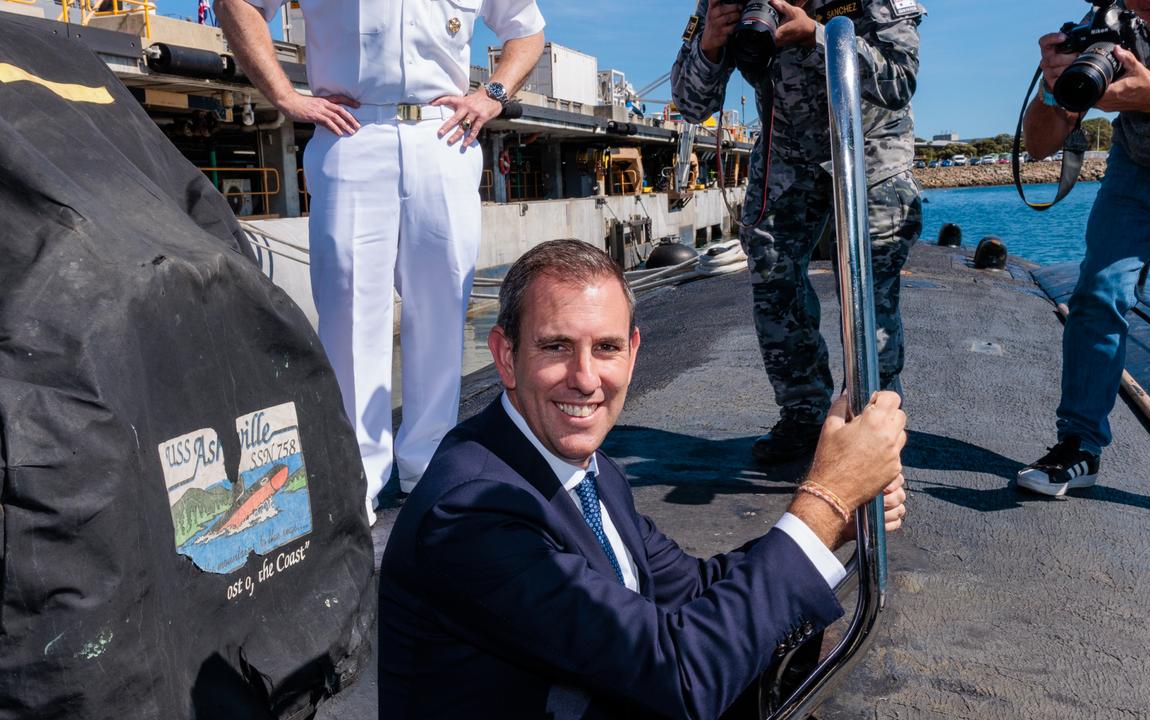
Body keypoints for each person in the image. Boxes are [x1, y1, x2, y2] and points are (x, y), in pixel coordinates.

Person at [378, 239, 909, 719]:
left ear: (633, 354)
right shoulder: (471, 511)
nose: (585, 379)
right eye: (556, 347)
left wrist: (834, 524)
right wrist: (825, 501)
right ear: (505, 356)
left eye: (605, 348)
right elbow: (680, 677)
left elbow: (693, 589)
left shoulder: (590, 472)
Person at [216, 0, 546, 524]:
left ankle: (429, 470)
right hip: (352, 132)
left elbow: (526, 31)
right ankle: (357, 480)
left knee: (441, 314)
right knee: (349, 316)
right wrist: (282, 96)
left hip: (445, 136)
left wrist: (493, 95)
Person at [671, 0, 924, 464]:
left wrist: (820, 38)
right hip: (787, 154)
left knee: (869, 286)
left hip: (870, 153)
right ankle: (804, 415)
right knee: (773, 277)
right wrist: (709, 45)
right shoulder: (725, 3)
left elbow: (900, 80)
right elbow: (690, 106)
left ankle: (875, 419)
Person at [1017, 0, 1150, 518]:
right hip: (1143, 169)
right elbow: (1037, 146)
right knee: (1098, 290)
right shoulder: (1113, 32)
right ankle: (1079, 447)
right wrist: (1056, 90)